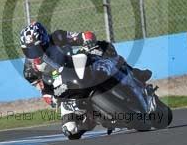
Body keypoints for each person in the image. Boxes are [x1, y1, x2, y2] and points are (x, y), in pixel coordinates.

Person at [19, 21, 152, 138]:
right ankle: (90, 118)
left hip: (77, 65)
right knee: (71, 131)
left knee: (104, 48)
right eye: (28, 51)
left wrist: (87, 39)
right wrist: (51, 99)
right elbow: (43, 89)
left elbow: (82, 36)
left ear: (44, 39)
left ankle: (133, 73)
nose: (34, 53)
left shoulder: (57, 37)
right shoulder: (29, 70)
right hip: (64, 86)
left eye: (37, 47)